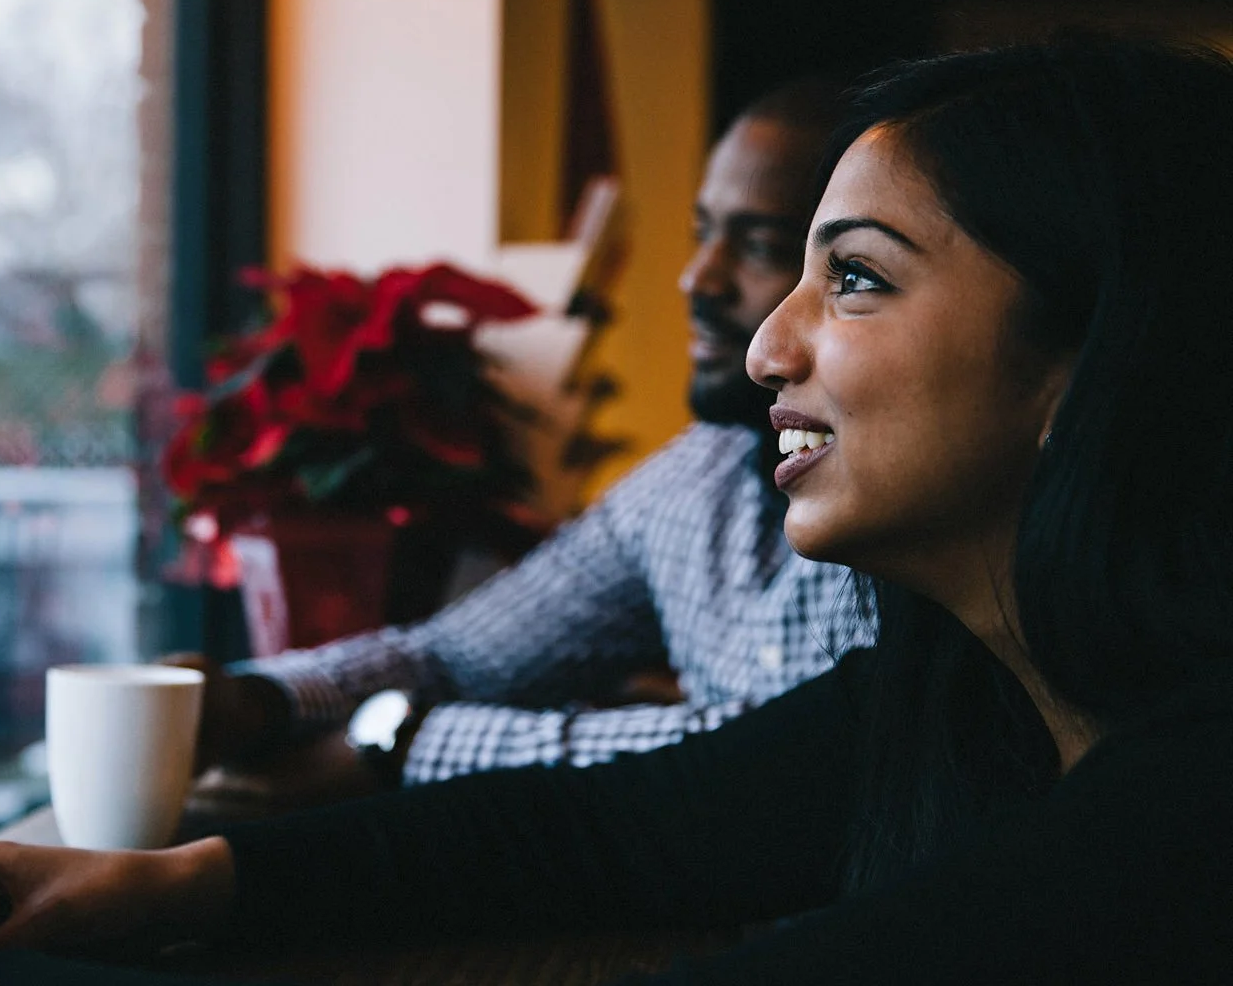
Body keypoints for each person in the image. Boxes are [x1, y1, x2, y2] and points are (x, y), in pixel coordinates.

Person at [0, 32, 1233, 984]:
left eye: (850, 277)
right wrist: (162, 873)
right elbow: (601, 832)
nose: (765, 337)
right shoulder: (961, 686)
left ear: (1097, 360)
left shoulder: (1176, 823)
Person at [189, 77, 866, 795]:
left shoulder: (915, 497)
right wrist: (257, 701)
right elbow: (459, 657)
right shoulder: (701, 474)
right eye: (704, 234)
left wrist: (405, 744)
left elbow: (770, 758)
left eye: (759, 247)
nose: (697, 278)